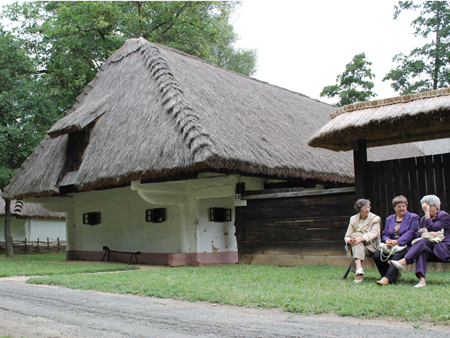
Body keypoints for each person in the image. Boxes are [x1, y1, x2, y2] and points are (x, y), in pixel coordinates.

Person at [392, 195, 450, 288]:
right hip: (431, 246)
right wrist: (426, 234)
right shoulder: (424, 219)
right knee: (421, 249)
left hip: (443, 247)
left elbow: (432, 227)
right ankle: (422, 281)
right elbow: (418, 234)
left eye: (426, 208)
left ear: (434, 206)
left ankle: (404, 261)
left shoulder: (444, 216)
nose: (424, 211)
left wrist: (427, 214)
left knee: (423, 243)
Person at [372, 196, 419, 285]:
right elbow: (385, 233)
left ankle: (386, 279)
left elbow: (412, 232)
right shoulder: (389, 219)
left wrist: (397, 242)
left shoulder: (413, 217)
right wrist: (388, 241)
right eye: (399, 206)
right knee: (377, 256)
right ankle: (393, 276)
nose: (402, 208)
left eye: (403, 206)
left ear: (406, 207)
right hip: (391, 246)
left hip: (406, 246)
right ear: (394, 208)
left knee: (396, 257)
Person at [344, 199, 381, 283]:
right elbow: (347, 235)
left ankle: (359, 273)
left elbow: (374, 233)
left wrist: (360, 239)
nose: (367, 209)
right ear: (359, 209)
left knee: (357, 241)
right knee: (356, 242)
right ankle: (359, 272)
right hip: (357, 245)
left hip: (371, 246)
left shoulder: (375, 218)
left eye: (369, 207)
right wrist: (350, 240)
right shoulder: (353, 219)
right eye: (365, 208)